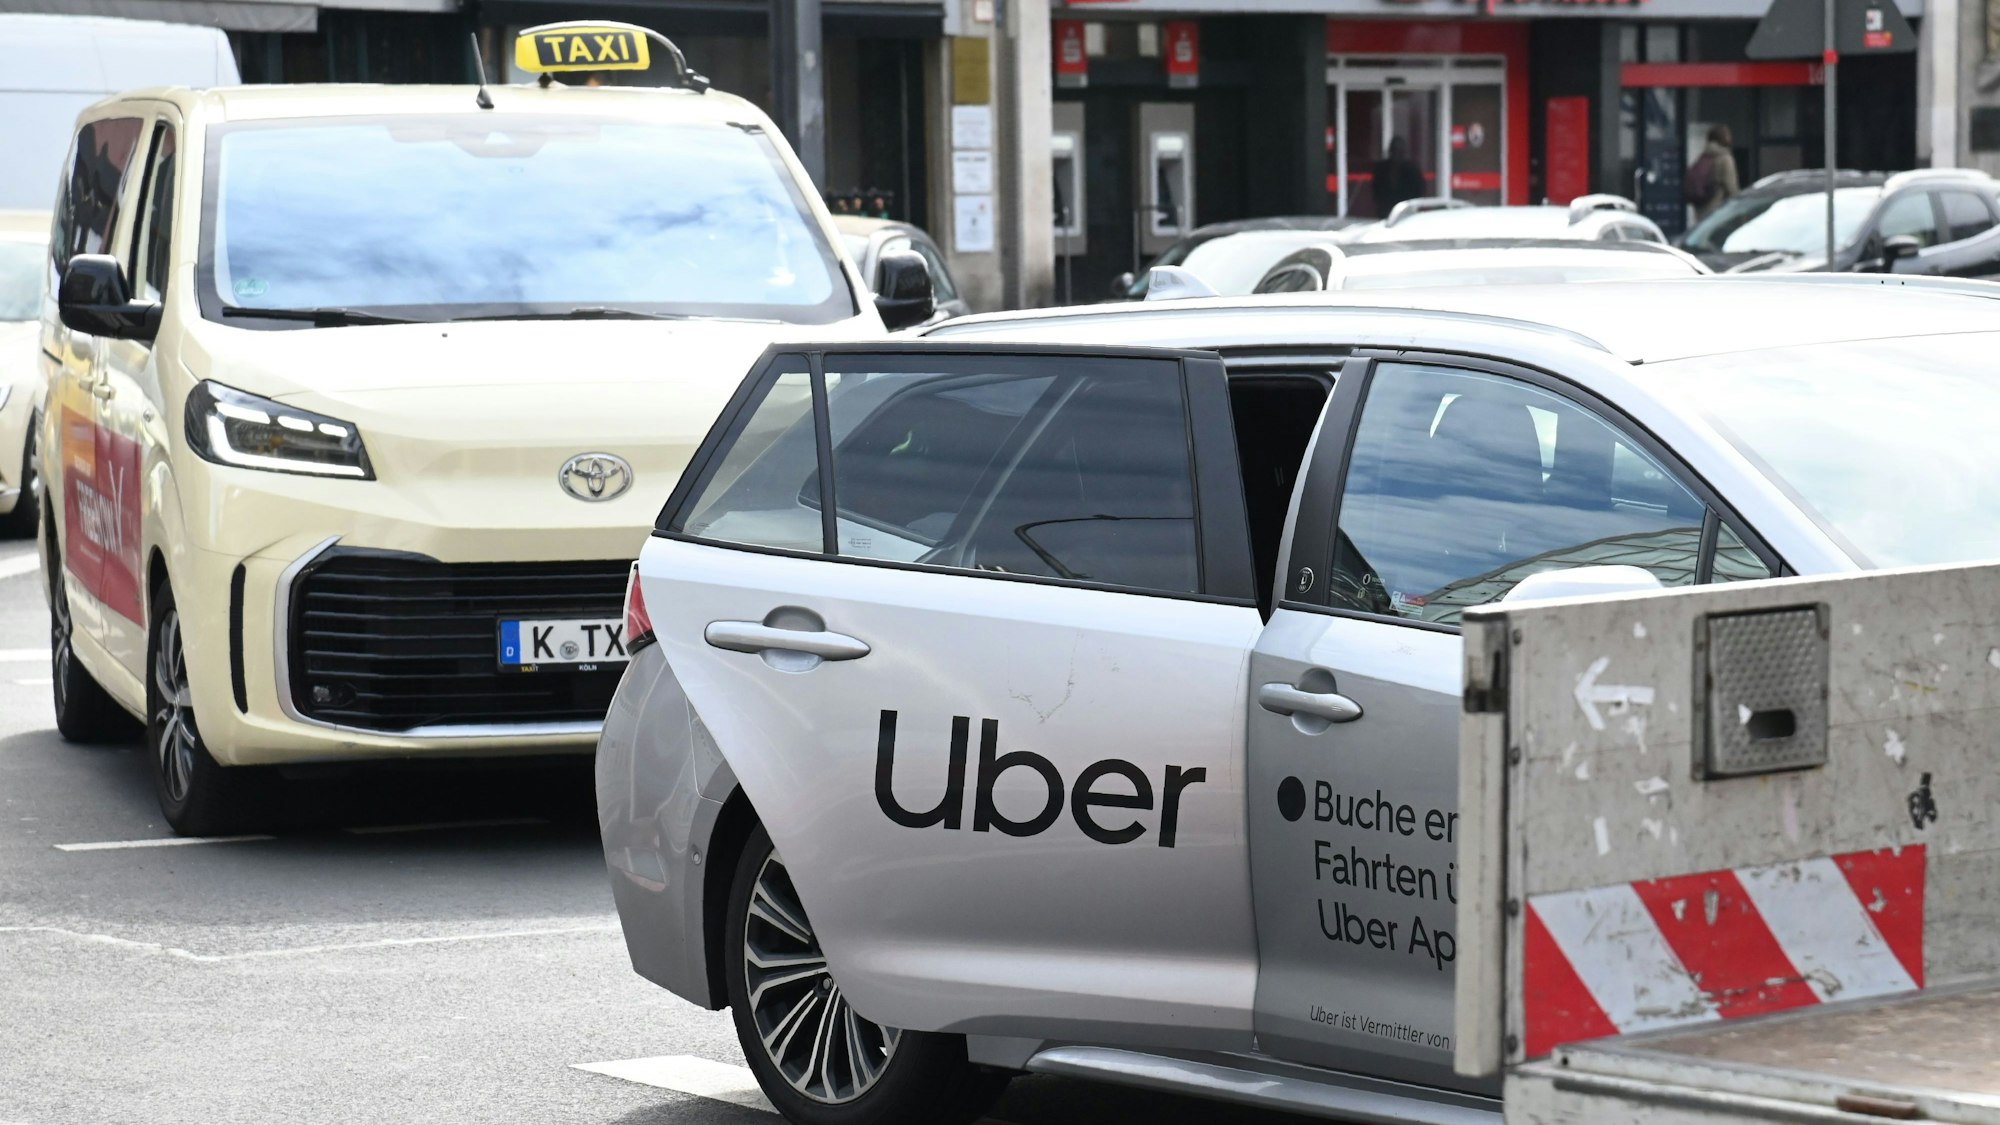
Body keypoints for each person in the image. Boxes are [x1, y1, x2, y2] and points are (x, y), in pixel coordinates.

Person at [1685, 124, 1740, 221]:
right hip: (1717, 213)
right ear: (1723, 139)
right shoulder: (1725, 159)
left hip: (1700, 212)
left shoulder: (1704, 156)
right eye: (1728, 135)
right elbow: (1731, 189)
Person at [1371, 136, 1427, 218]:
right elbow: (1376, 189)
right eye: (1395, 150)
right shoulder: (1381, 168)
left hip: (1407, 210)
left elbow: (1419, 190)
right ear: (1390, 151)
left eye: (1400, 151)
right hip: (1385, 211)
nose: (1397, 154)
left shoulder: (1411, 169)